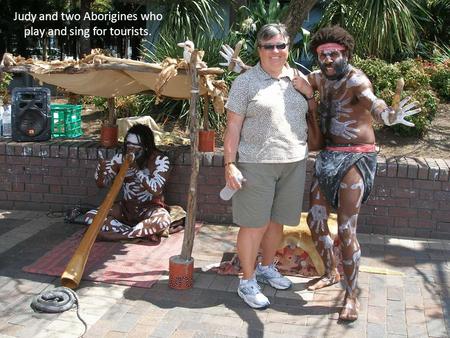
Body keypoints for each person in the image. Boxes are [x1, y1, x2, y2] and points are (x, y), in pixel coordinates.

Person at [291, 26, 420, 321]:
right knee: (315, 219)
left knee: (347, 229)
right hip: (327, 156)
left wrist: (388, 115)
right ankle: (331, 271)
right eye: (322, 55)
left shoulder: (356, 79)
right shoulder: (319, 78)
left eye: (333, 54)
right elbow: (288, 78)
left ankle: (351, 297)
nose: (327, 59)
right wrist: (245, 69)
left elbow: (373, 102)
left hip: (356, 157)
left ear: (345, 53)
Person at [223, 23, 315, 309]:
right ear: (259, 50)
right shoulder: (246, 82)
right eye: (269, 46)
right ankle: (247, 281)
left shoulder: (298, 79)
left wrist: (309, 93)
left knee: (278, 221)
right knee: (254, 224)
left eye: (281, 45)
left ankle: (265, 267)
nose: (276, 51)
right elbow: (232, 126)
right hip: (256, 163)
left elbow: (312, 115)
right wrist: (229, 163)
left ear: (288, 48)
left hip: (294, 161)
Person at [84, 124, 172, 242]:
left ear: (146, 147)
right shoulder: (120, 158)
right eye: (128, 145)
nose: (131, 150)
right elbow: (101, 184)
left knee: (163, 220)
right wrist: (100, 171)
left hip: (150, 208)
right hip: (125, 209)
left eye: (136, 147)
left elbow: (156, 189)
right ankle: (136, 232)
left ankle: (114, 235)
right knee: (91, 216)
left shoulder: (159, 160)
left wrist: (136, 169)